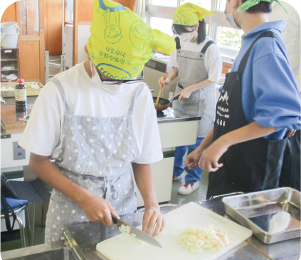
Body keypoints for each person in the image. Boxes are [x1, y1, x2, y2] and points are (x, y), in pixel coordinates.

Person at [18, 0, 176, 243]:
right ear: (89, 51)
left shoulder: (140, 93)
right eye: (112, 79)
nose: (121, 86)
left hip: (124, 211)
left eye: (129, 78)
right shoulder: (59, 90)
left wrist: (152, 204)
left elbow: (141, 160)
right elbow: (37, 161)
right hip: (71, 213)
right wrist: (83, 198)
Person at [186, 0, 301, 199]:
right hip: (229, 168)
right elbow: (228, 111)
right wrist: (204, 146)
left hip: (251, 175)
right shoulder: (251, 42)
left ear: (238, 3)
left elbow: (282, 117)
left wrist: (222, 143)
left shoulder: (267, 45)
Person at [158, 3, 222, 195]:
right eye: (177, 31)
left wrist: (192, 88)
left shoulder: (210, 47)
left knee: (196, 141)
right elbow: (177, 67)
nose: (180, 34)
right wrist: (168, 79)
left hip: (201, 101)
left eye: (183, 30)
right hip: (181, 98)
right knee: (179, 139)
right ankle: (176, 172)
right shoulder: (179, 42)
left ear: (196, 26)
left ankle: (192, 180)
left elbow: (214, 78)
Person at [269, 0, 301, 191]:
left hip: (292, 108)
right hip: (273, 105)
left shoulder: (290, 12)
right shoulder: (271, 8)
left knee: (290, 172)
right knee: (273, 172)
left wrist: (295, 112)